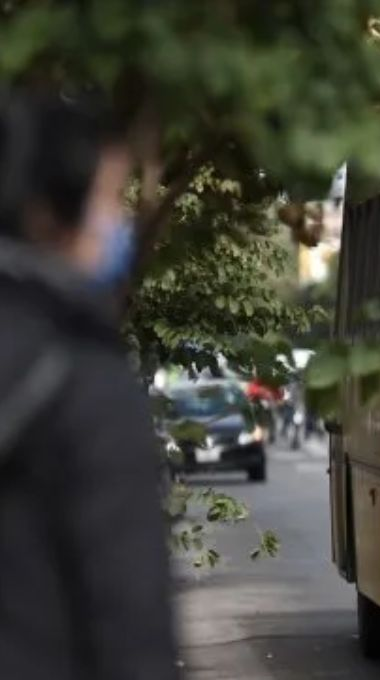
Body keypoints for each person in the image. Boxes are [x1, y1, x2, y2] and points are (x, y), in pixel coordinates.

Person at [0, 93, 177, 679]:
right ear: (45, 213)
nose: (118, 223)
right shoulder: (82, 383)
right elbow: (129, 620)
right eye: (106, 199)